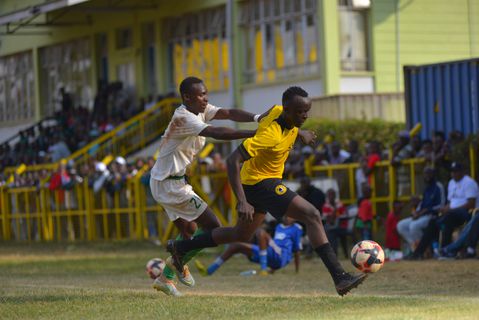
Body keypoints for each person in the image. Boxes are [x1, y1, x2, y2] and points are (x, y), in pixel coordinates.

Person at [166, 86, 367, 296]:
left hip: (255, 181)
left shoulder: (279, 111)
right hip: (260, 183)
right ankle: (340, 277)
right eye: (300, 112)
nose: (305, 115)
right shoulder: (269, 135)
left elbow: (284, 122)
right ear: (287, 110)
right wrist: (241, 200)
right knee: (312, 215)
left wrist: (301, 133)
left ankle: (181, 248)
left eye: (307, 111)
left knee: (240, 233)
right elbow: (232, 160)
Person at [150, 76, 267, 296]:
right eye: (201, 94)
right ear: (187, 97)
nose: (206, 98)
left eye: (206, 93)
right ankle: (174, 266)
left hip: (167, 181)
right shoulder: (184, 117)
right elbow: (217, 132)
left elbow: (229, 114)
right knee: (212, 226)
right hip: (170, 185)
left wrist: (258, 117)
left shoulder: (199, 109)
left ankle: (167, 277)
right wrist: (255, 134)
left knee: (190, 230)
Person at [195, 216, 302, 276]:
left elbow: (297, 250)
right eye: (285, 215)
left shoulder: (297, 228)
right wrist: (273, 269)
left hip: (280, 254)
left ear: (295, 218)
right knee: (235, 246)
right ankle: (208, 271)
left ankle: (263, 269)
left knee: (260, 232)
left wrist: (297, 271)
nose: (286, 217)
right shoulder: (279, 226)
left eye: (290, 215)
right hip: (272, 254)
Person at [396, 167, 445, 251]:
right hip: (421, 215)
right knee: (400, 225)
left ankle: (423, 249)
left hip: (432, 215)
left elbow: (441, 205)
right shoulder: (427, 188)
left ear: (433, 174)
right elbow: (422, 204)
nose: (427, 176)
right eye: (425, 174)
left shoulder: (438, 186)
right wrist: (416, 213)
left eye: (429, 173)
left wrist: (423, 212)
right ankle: (415, 246)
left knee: (413, 226)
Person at [322, 188, 349, 258]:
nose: (331, 196)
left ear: (335, 195)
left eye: (332, 195)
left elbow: (344, 215)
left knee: (335, 233)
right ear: (327, 196)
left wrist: (334, 215)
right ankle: (334, 255)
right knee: (330, 233)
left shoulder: (340, 204)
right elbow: (328, 219)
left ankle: (345, 254)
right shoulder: (326, 206)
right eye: (329, 195)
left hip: (341, 227)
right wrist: (334, 212)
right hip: (331, 227)